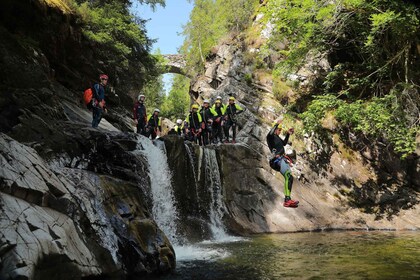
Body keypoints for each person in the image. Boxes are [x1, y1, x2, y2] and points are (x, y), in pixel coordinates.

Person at [266, 119, 298, 208]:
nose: (280, 132)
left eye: (280, 130)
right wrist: (276, 124)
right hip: (276, 161)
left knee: (290, 178)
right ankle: (287, 200)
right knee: (288, 176)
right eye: (279, 130)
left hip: (281, 159)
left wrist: (288, 133)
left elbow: (283, 144)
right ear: (276, 129)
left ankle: (288, 199)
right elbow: (271, 132)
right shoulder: (270, 137)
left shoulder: (277, 137)